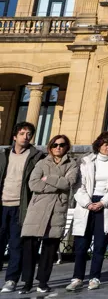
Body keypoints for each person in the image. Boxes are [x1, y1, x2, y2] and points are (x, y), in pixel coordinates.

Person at [67, 131, 108, 292]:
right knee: (81, 245)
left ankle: (95, 277)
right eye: (106, 144)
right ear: (99, 145)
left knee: (100, 245)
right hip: (87, 203)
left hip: (106, 204)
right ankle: (77, 278)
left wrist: (102, 202)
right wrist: (88, 203)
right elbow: (78, 185)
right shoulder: (85, 161)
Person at [19, 134, 77, 293]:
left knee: (49, 248)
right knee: (29, 247)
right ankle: (27, 282)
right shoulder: (41, 163)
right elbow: (33, 184)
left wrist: (47, 178)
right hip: (37, 209)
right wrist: (56, 183)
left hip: (57, 209)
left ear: (67, 147)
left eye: (62, 145)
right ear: (50, 147)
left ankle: (43, 282)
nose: (58, 147)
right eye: (55, 145)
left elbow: (68, 183)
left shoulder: (72, 164)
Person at [0, 122, 45, 293]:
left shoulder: (36, 156)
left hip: (21, 206)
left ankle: (11, 279)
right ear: (14, 137)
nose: (26, 137)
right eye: (22, 133)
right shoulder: (4, 155)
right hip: (2, 205)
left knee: (16, 245)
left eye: (29, 134)